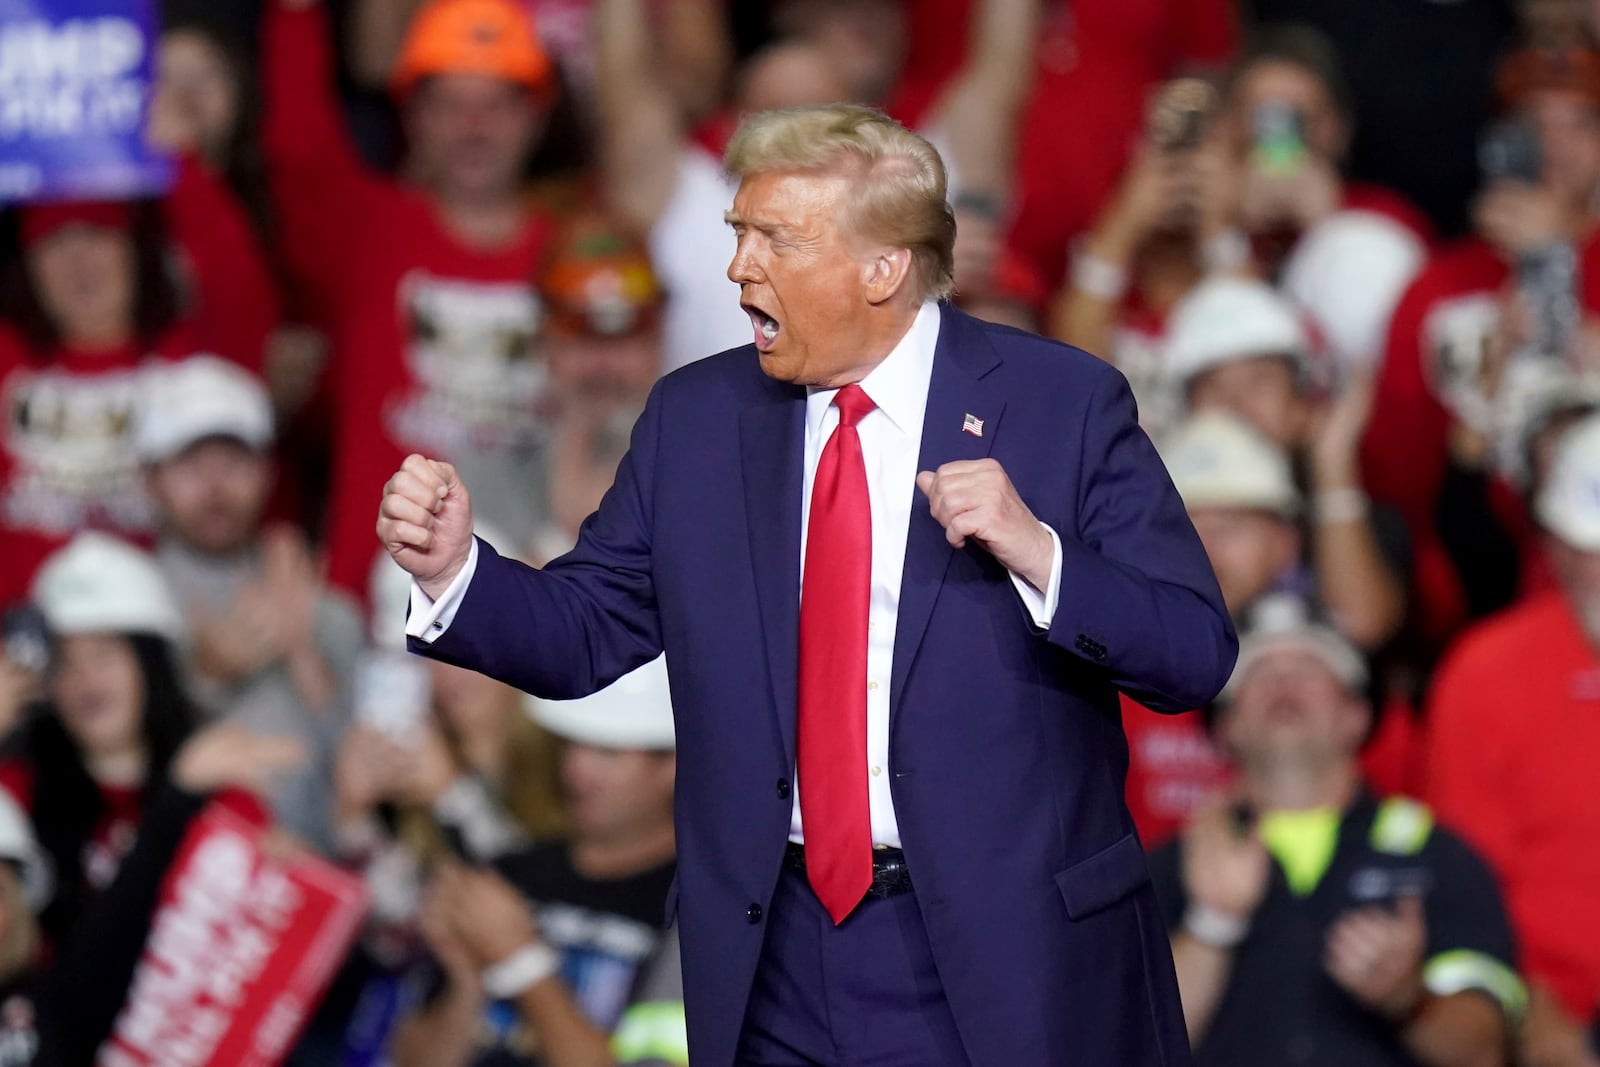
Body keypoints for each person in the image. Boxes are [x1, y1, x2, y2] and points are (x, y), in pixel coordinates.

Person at [379, 104, 1236, 1065]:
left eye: (775, 238)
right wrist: (456, 570)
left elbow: (1194, 652)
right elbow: (586, 628)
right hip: (770, 952)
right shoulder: (696, 419)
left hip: (1004, 956)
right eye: (738, 234)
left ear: (883, 269)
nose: (739, 267)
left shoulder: (1061, 404)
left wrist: (1041, 554)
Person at [263, 0, 561, 597]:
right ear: (413, 116)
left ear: (535, 117)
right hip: (376, 615)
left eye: (497, 105)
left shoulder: (577, 251)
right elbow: (298, 147)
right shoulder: (365, 232)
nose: (474, 127)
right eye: (451, 105)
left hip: (533, 595)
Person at [1150, 595, 1524, 1067]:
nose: (1284, 683)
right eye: (1258, 672)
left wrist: (1409, 1000)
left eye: (1311, 666)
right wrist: (1211, 924)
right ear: (1226, 728)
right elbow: (1126, 1049)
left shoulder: (1441, 861)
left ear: (1358, 716)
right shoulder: (1163, 869)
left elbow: (1484, 1052)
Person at [1362, 45, 1600, 644]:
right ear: (1498, 141)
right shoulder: (1437, 287)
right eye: (1533, 124)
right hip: (1471, 594)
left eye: (1581, 123)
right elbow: (1395, 476)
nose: (1555, 145)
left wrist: (1562, 260)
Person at [391, 655, 678, 1067]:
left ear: (671, 764)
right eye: (572, 743)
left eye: (607, 751)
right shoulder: (513, 872)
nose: (578, 769)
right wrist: (468, 979)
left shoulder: (691, 915)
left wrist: (520, 960)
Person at [1425, 412, 1600, 1067]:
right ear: (1552, 546)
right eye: (1589, 547)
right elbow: (1467, 878)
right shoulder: (1489, 670)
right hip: (1539, 1012)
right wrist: (1526, 1005)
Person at [138, 357, 365, 854]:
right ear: (150, 479)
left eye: (235, 463)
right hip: (178, 879)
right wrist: (204, 677)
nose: (216, 488)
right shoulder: (128, 606)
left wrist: (305, 656)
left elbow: (372, 781)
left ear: (267, 473)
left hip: (313, 879)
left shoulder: (325, 608)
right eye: (192, 466)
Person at [1163, 277, 1407, 650]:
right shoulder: (1152, 504)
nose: (1236, 405)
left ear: (1303, 404)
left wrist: (1333, 465)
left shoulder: (1358, 513)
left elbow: (1364, 623)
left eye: (1259, 382)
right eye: (1213, 387)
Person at [0, 534, 197, 949]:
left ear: (151, 665)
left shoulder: (214, 777)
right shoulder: (17, 789)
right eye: (63, 663)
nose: (84, 680)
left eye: (103, 655)